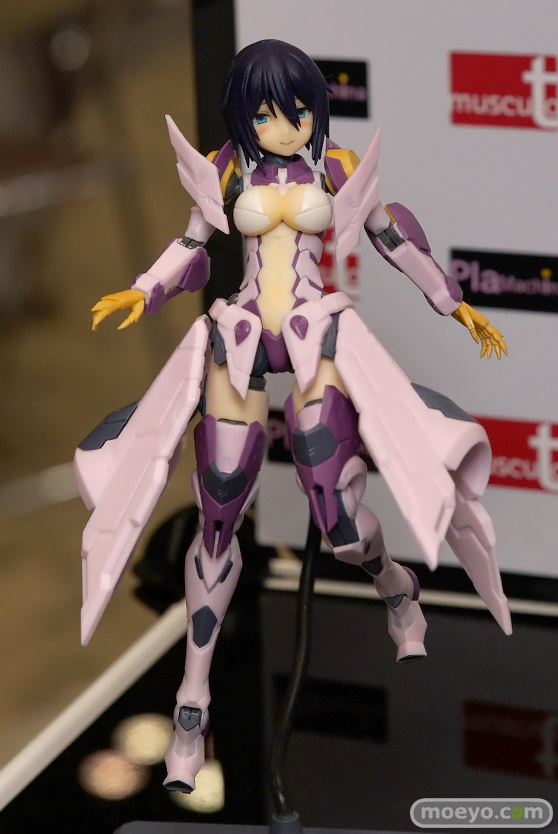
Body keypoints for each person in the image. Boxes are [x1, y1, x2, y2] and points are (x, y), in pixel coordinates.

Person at [75, 40, 511, 794]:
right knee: (217, 512)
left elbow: (391, 236)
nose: (284, 127)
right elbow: (192, 242)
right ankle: (191, 706)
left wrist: (454, 302)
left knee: (341, 526)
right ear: (244, 116)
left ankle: (394, 586)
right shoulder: (225, 169)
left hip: (316, 334)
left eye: (298, 110)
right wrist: (144, 290)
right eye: (267, 115)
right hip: (241, 334)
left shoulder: (335, 166)